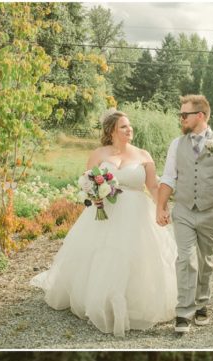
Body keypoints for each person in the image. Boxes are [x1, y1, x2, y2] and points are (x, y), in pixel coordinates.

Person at [31, 110, 177, 336]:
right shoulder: (99, 154)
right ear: (111, 131)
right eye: (124, 127)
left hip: (136, 214)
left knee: (134, 256)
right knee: (102, 255)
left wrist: (162, 208)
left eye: (130, 126)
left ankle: (133, 304)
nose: (130, 130)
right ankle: (99, 301)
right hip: (104, 213)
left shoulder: (143, 155)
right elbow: (86, 182)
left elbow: (153, 187)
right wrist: (93, 194)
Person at [155, 95, 213, 334]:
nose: (181, 119)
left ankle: (202, 304)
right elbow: (169, 178)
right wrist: (161, 207)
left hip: (209, 212)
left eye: (185, 115)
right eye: (181, 115)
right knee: (185, 259)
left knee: (205, 261)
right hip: (182, 210)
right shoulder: (176, 145)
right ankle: (183, 312)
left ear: (200, 116)